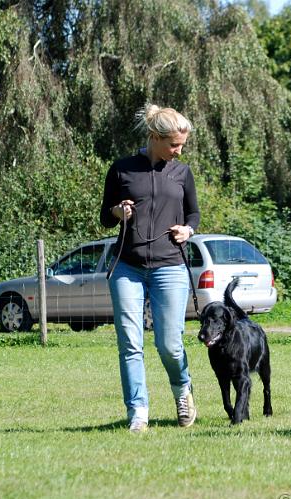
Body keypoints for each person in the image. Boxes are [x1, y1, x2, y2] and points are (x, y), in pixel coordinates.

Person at [100, 104, 200, 433]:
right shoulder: (122, 169)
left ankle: (182, 390)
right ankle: (138, 412)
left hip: (170, 267)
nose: (179, 150)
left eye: (182, 144)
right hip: (127, 267)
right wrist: (118, 212)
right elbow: (104, 216)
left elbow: (193, 216)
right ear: (155, 138)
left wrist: (188, 231)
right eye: (174, 144)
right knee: (131, 343)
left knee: (169, 344)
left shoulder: (182, 173)